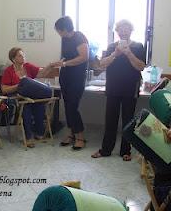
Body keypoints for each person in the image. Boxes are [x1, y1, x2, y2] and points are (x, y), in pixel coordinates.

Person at [91, 19, 146, 161]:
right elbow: (102, 64)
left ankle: (126, 151)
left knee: (128, 120)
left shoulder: (138, 46)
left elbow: (140, 66)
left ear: (131, 30)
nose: (123, 31)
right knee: (110, 120)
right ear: (117, 31)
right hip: (113, 88)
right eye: (120, 29)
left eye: (126, 28)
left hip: (130, 88)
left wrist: (128, 53)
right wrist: (115, 54)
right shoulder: (111, 47)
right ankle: (105, 150)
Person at [0, 47, 55, 148]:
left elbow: (41, 73)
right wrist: (19, 85)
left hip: (32, 96)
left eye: (23, 55)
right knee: (26, 108)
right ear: (13, 59)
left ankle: (39, 133)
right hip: (19, 97)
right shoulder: (8, 71)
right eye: (20, 56)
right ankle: (29, 137)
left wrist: (50, 66)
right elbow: (4, 90)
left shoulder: (28, 66)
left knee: (39, 105)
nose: (23, 57)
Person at [54, 16, 88, 150]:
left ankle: (80, 136)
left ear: (65, 28)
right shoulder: (64, 39)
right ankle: (71, 134)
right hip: (65, 76)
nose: (58, 33)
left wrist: (65, 63)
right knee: (67, 105)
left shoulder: (79, 37)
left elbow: (83, 57)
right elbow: (66, 57)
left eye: (58, 30)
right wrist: (58, 63)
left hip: (77, 77)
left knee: (72, 107)